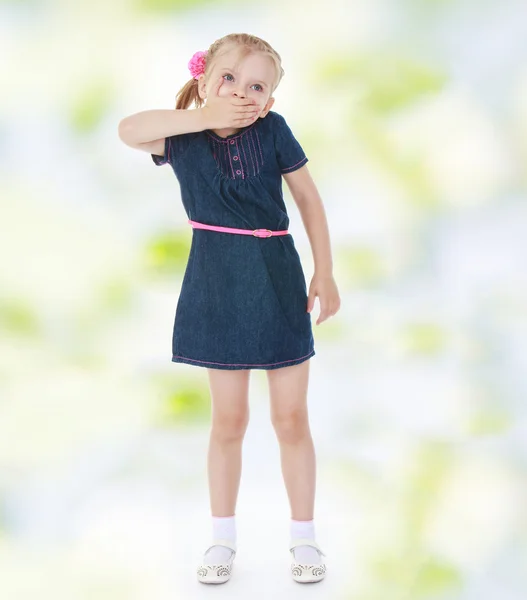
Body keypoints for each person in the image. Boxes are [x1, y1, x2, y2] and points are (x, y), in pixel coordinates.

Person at [118, 32, 340, 585]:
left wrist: (325, 272)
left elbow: (308, 198)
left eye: (257, 86)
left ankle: (304, 539)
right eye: (229, 79)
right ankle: (221, 539)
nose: (242, 93)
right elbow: (128, 131)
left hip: (276, 277)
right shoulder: (180, 138)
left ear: (270, 101)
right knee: (228, 421)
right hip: (216, 283)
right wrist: (200, 114)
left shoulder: (273, 133)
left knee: (291, 418)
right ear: (203, 79)